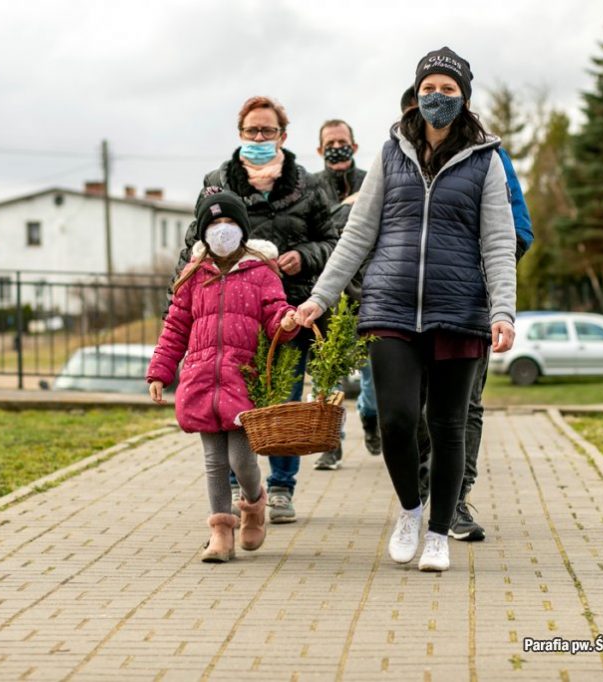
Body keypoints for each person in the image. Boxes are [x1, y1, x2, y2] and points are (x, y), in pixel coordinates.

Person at [296, 47, 517, 572]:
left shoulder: (485, 159)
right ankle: (410, 511)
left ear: (463, 99)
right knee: (396, 420)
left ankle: (438, 533)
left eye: (448, 90)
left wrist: (502, 311)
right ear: (415, 93)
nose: (436, 97)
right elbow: (357, 235)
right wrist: (319, 297)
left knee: (447, 426)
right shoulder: (391, 153)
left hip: (458, 308)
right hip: (390, 306)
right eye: (429, 88)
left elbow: (499, 241)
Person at [170, 96, 337, 524]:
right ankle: (234, 485)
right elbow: (196, 243)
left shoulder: (309, 184)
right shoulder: (218, 180)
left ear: (283, 135)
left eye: (267, 131)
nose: (259, 138)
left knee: (282, 396)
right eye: (251, 131)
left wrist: (304, 255)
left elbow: (334, 241)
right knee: (226, 398)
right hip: (226, 310)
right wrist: (178, 297)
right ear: (240, 134)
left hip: (287, 310)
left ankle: (280, 487)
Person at [148, 189, 300, 562]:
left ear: (243, 230)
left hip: (242, 378)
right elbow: (175, 327)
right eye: (214, 224)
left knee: (241, 459)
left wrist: (287, 320)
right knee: (214, 460)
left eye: (230, 222)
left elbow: (274, 312)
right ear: (203, 232)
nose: (222, 230)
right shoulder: (192, 276)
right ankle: (220, 531)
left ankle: (253, 504)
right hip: (200, 380)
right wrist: (160, 371)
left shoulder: (261, 271)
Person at [413, 92, 535, 543]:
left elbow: (518, 226)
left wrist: (487, 267)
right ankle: (421, 490)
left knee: (467, 406)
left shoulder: (489, 157)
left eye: (445, 94)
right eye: (422, 99)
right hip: (411, 307)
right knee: (417, 403)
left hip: (468, 304)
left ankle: (457, 498)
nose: (432, 108)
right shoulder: (402, 156)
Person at [311, 119, 380, 469]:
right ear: (320, 150)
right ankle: (330, 444)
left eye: (343, 141)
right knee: (327, 376)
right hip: (325, 297)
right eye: (330, 143)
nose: (337, 148)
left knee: (371, 377)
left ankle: (370, 420)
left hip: (365, 293)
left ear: (354, 146)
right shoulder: (310, 189)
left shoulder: (372, 181)